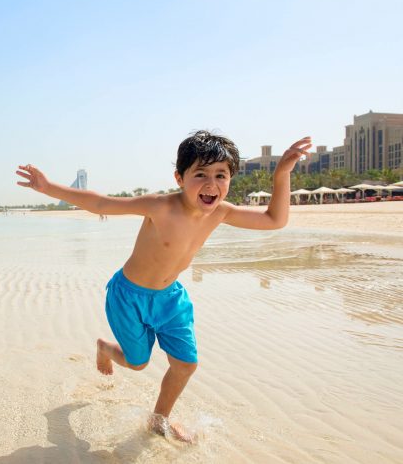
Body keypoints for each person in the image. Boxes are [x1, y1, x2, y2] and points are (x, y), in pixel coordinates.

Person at [16, 130, 311, 442]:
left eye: (220, 175)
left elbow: (275, 220)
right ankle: (105, 348)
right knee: (138, 363)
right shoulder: (160, 206)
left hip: (171, 300)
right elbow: (102, 203)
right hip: (128, 297)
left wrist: (282, 174)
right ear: (179, 178)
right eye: (200, 174)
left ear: (230, 179)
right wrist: (48, 187)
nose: (211, 184)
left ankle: (159, 420)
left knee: (186, 364)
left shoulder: (222, 212)